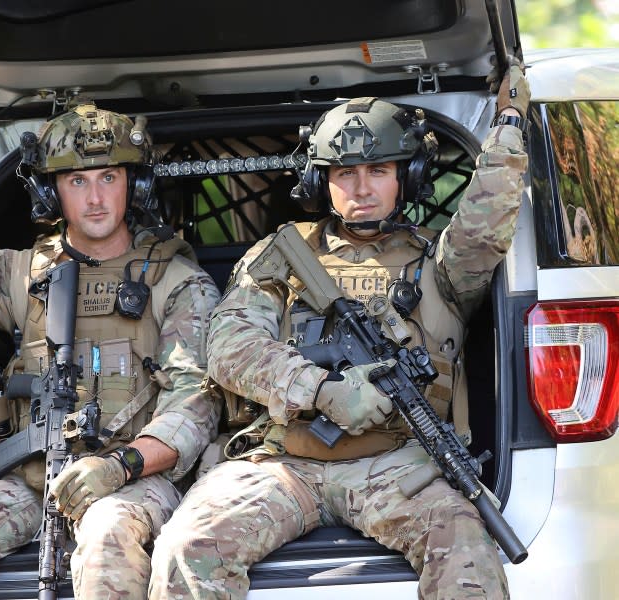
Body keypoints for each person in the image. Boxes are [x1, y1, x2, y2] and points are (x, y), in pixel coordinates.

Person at [149, 64, 530, 600]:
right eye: (345, 173)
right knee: (186, 549)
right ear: (320, 182)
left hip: (396, 464)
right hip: (282, 462)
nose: (362, 188)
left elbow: (488, 222)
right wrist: (322, 391)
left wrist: (508, 123)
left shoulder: (440, 265)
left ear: (408, 177)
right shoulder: (281, 255)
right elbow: (230, 348)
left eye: (378, 170)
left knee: (468, 552)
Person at [0, 103, 221, 599]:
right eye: (77, 181)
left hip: (130, 477)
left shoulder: (177, 284)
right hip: (27, 477)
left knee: (107, 544)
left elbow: (196, 402)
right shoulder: (21, 274)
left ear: (134, 185)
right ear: (49, 191)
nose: (96, 197)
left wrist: (119, 465)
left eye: (109, 177)